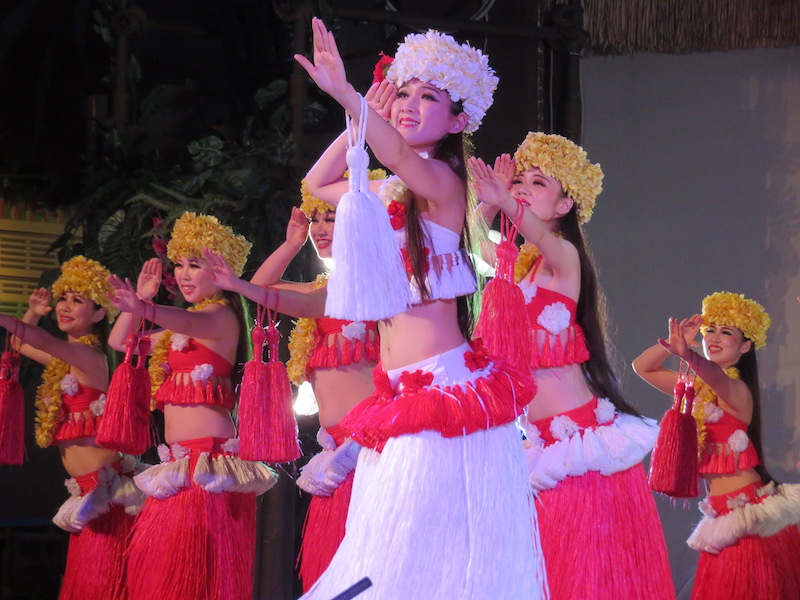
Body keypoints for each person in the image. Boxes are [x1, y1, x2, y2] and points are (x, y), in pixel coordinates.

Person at [284, 18, 546, 599]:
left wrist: (350, 97)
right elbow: (319, 179)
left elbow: (399, 152)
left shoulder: (445, 182)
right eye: (402, 91)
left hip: (445, 394)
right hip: (397, 394)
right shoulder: (385, 191)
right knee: (385, 545)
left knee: (420, 553)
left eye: (429, 96)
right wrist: (358, 113)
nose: (409, 104)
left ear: (458, 121)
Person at [470, 132, 674, 599]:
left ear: (565, 205)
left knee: (584, 581)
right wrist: (489, 201)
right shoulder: (515, 269)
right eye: (519, 179)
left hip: (579, 449)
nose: (523, 188)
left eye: (537, 183)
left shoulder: (564, 259)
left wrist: (507, 200)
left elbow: (538, 233)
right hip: (539, 447)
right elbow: (467, 244)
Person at [207, 184, 381, 591]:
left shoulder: (368, 285)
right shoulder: (322, 287)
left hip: (370, 449)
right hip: (336, 451)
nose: (320, 228)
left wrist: (240, 286)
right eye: (315, 219)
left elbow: (281, 299)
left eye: (331, 218)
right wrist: (290, 244)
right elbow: (263, 289)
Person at [106, 212, 276, 600]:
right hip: (178, 465)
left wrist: (146, 308)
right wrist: (141, 301)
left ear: (219, 270)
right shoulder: (184, 328)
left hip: (207, 467)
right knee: (167, 577)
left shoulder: (222, 317)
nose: (182, 274)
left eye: (194, 265)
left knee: (197, 579)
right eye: (178, 264)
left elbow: (183, 320)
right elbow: (121, 341)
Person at [633, 291, 800, 599]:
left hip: (749, 518)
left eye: (727, 332)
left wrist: (689, 356)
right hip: (719, 517)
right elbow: (643, 368)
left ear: (746, 346)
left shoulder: (736, 389)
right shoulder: (695, 389)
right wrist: (677, 344)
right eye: (710, 329)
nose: (714, 337)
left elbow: (714, 378)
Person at [0, 256, 143, 600]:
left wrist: (6, 318)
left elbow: (44, 343)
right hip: (87, 493)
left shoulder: (89, 358)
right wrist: (33, 311)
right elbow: (22, 345)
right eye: (63, 298)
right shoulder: (69, 357)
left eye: (77, 300)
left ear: (98, 314)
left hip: (106, 495)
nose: (64, 306)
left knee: (102, 587)